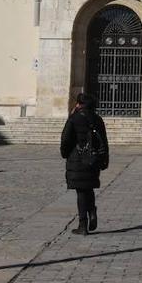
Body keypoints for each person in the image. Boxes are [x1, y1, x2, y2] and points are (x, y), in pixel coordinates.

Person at [60, 93, 108, 235]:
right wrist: (104, 159)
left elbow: (66, 139)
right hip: (93, 159)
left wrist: (65, 154)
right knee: (88, 188)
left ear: (79, 104)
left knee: (81, 191)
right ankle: (92, 211)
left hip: (77, 160)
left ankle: (83, 225)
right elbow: (103, 141)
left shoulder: (74, 119)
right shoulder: (97, 119)